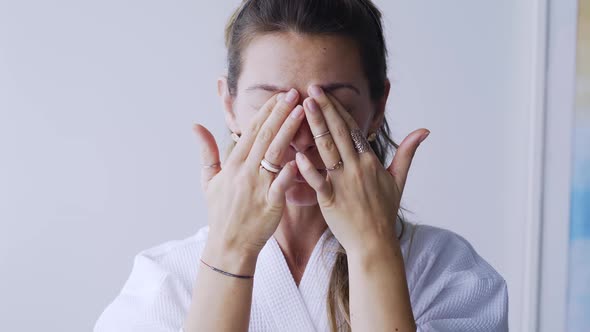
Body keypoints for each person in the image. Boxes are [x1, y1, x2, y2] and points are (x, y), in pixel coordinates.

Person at [94, 0, 509, 331]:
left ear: (378, 105)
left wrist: (373, 249)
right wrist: (231, 249)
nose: (301, 133)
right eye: (271, 102)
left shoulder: (446, 272)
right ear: (229, 105)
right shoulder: (163, 282)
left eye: (332, 104)